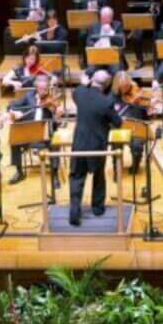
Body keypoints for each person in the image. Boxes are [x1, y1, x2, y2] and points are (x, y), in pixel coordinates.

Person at [69, 70, 122, 226]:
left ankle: (74, 212)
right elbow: (118, 123)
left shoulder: (79, 93)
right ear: (106, 86)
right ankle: (97, 208)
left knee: (77, 177)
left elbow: (76, 93)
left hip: (79, 143)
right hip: (97, 145)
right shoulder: (106, 102)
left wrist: (85, 84)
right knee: (98, 176)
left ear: (92, 80)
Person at [7, 74, 63, 186]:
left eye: (45, 89)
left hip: (45, 134)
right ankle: (19, 172)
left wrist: (57, 115)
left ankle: (54, 173)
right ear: (36, 86)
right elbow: (12, 105)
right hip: (29, 133)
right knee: (15, 140)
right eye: (40, 88)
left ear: (48, 87)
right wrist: (14, 112)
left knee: (55, 142)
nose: (43, 91)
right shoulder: (29, 96)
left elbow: (57, 123)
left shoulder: (52, 99)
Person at [111, 71, 149, 175]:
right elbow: (112, 114)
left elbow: (146, 114)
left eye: (127, 86)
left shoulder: (136, 92)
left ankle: (135, 166)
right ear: (117, 85)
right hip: (120, 127)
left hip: (136, 127)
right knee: (116, 144)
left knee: (137, 146)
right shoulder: (112, 97)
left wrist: (145, 106)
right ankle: (117, 169)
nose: (125, 89)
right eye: (122, 87)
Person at [128, 0, 163, 69]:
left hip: (156, 27)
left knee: (159, 35)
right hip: (142, 26)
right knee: (136, 36)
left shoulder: (161, 0)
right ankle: (140, 60)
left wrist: (162, 7)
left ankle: (157, 60)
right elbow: (132, 12)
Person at [75, 0, 111, 67]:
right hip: (85, 23)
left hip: (99, 23)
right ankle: (84, 59)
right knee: (82, 35)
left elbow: (107, 10)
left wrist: (98, 8)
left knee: (100, 34)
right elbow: (77, 11)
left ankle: (99, 59)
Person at [84, 6, 125, 76]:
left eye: (106, 18)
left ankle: (113, 86)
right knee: (90, 71)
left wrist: (111, 32)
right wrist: (95, 44)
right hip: (98, 56)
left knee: (116, 71)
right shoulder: (94, 26)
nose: (104, 21)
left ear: (111, 18)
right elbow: (88, 42)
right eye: (102, 18)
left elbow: (121, 42)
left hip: (112, 56)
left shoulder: (117, 25)